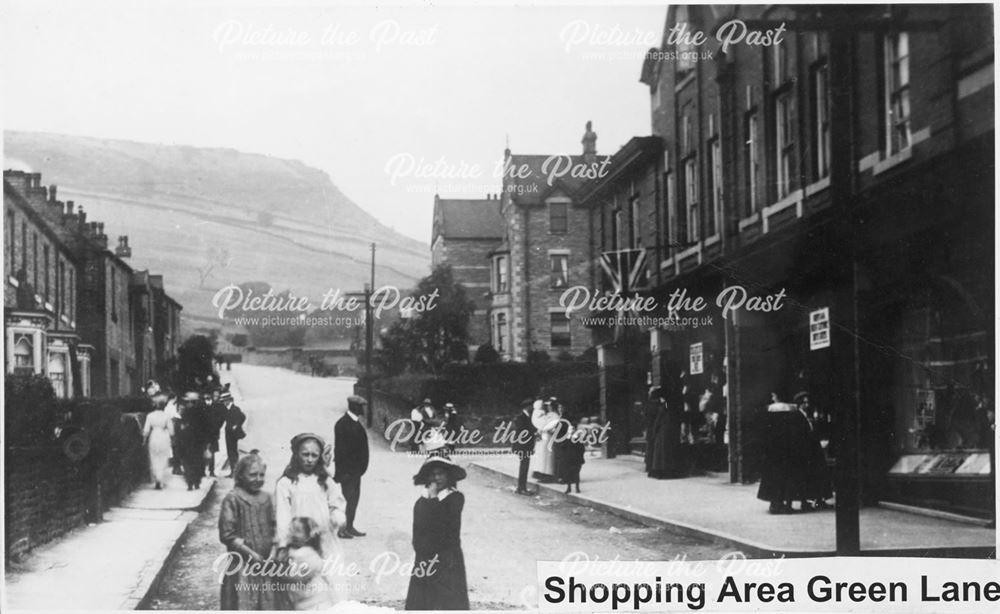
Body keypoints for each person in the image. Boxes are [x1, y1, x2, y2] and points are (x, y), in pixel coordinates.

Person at [274, 433, 347, 607]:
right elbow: (282, 517)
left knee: (333, 584)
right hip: (300, 544)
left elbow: (338, 506)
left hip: (325, 540)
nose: (309, 459)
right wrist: (284, 546)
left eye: (314, 455)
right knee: (304, 590)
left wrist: (336, 519)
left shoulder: (326, 482)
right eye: (305, 454)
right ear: (296, 455)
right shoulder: (286, 483)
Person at [405, 453, 470, 611]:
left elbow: (442, 525)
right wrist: (420, 551)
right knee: (421, 601)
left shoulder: (455, 498)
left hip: (447, 558)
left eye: (441, 473)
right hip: (425, 556)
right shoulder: (422, 501)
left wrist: (433, 498)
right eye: (433, 474)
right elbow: (418, 529)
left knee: (448, 602)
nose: (437, 478)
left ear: (449, 475)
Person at [218, 452, 276, 610]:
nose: (258, 479)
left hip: (265, 565)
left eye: (261, 475)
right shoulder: (233, 498)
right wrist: (250, 554)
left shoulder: (268, 498)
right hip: (241, 566)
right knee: (241, 604)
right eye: (252, 475)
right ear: (241, 475)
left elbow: (275, 527)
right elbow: (227, 535)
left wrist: (273, 554)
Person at [756, 390, 813, 513]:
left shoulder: (768, 411)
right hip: (789, 451)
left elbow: (763, 432)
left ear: (777, 396)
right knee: (788, 478)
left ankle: (775, 503)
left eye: (773, 395)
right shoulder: (795, 413)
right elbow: (803, 432)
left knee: (774, 477)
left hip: (773, 451)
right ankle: (786, 503)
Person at [334, 395, 369, 539]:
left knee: (354, 500)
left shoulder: (356, 423)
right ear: (354, 407)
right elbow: (340, 450)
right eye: (361, 406)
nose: (363, 409)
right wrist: (343, 472)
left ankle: (350, 526)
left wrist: (360, 469)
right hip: (348, 472)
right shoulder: (342, 424)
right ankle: (342, 529)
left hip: (356, 472)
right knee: (346, 500)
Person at [285, 517, 336, 610]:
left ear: (308, 536)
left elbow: (299, 577)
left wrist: (278, 576)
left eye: (297, 531)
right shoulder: (289, 551)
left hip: (315, 600)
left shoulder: (309, 554)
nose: (293, 534)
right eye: (291, 530)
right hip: (301, 600)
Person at [795, 392, 833, 510]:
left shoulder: (807, 416)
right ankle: (808, 501)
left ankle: (818, 500)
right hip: (806, 452)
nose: (807, 404)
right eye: (804, 402)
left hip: (813, 450)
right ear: (799, 404)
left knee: (818, 475)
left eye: (807, 402)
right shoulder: (798, 416)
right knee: (808, 477)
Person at [648, 386, 685, 479]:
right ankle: (666, 470)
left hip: (662, 431)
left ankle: (661, 471)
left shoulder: (664, 406)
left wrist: (655, 429)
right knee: (665, 452)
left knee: (661, 453)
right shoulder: (666, 405)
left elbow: (659, 418)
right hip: (666, 431)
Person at [179, 392, 210, 490]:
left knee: (188, 462)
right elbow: (205, 428)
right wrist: (206, 442)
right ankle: (196, 481)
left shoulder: (185, 412)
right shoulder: (201, 412)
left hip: (187, 441)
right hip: (198, 441)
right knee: (197, 462)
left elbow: (182, 427)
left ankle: (190, 482)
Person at [143, 394, 174, 489]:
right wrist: (172, 439)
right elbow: (172, 431)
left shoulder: (150, 416)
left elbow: (146, 430)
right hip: (163, 437)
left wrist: (144, 440)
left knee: (154, 457)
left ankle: (157, 478)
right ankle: (160, 479)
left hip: (154, 436)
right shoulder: (166, 416)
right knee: (163, 458)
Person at [512, 398, 538, 495]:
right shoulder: (520, 418)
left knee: (525, 466)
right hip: (522, 446)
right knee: (524, 466)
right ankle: (521, 488)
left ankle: (522, 488)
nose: (532, 408)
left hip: (526, 446)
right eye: (531, 406)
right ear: (527, 407)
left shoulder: (527, 417)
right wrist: (533, 434)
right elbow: (522, 433)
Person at [558, 416, 586, 493]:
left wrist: (581, 457)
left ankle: (577, 487)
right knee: (568, 473)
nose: (570, 431)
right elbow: (562, 447)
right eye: (569, 429)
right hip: (568, 458)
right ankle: (569, 487)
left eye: (572, 429)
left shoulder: (578, 438)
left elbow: (582, 449)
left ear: (575, 429)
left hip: (576, 459)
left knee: (576, 473)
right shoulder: (567, 438)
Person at [222, 391, 246, 476]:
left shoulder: (235, 409)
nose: (224, 402)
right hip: (228, 433)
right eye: (223, 401)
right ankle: (233, 471)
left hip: (233, 434)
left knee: (233, 452)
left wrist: (237, 425)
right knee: (229, 451)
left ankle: (235, 471)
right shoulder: (225, 409)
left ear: (229, 400)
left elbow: (243, 417)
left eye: (225, 400)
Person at [206, 390, 227, 477]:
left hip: (213, 432)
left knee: (212, 451)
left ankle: (211, 470)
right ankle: (204, 469)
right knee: (205, 450)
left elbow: (222, 418)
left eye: (217, 396)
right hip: (206, 431)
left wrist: (216, 426)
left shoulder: (221, 407)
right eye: (214, 396)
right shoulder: (209, 405)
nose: (216, 398)